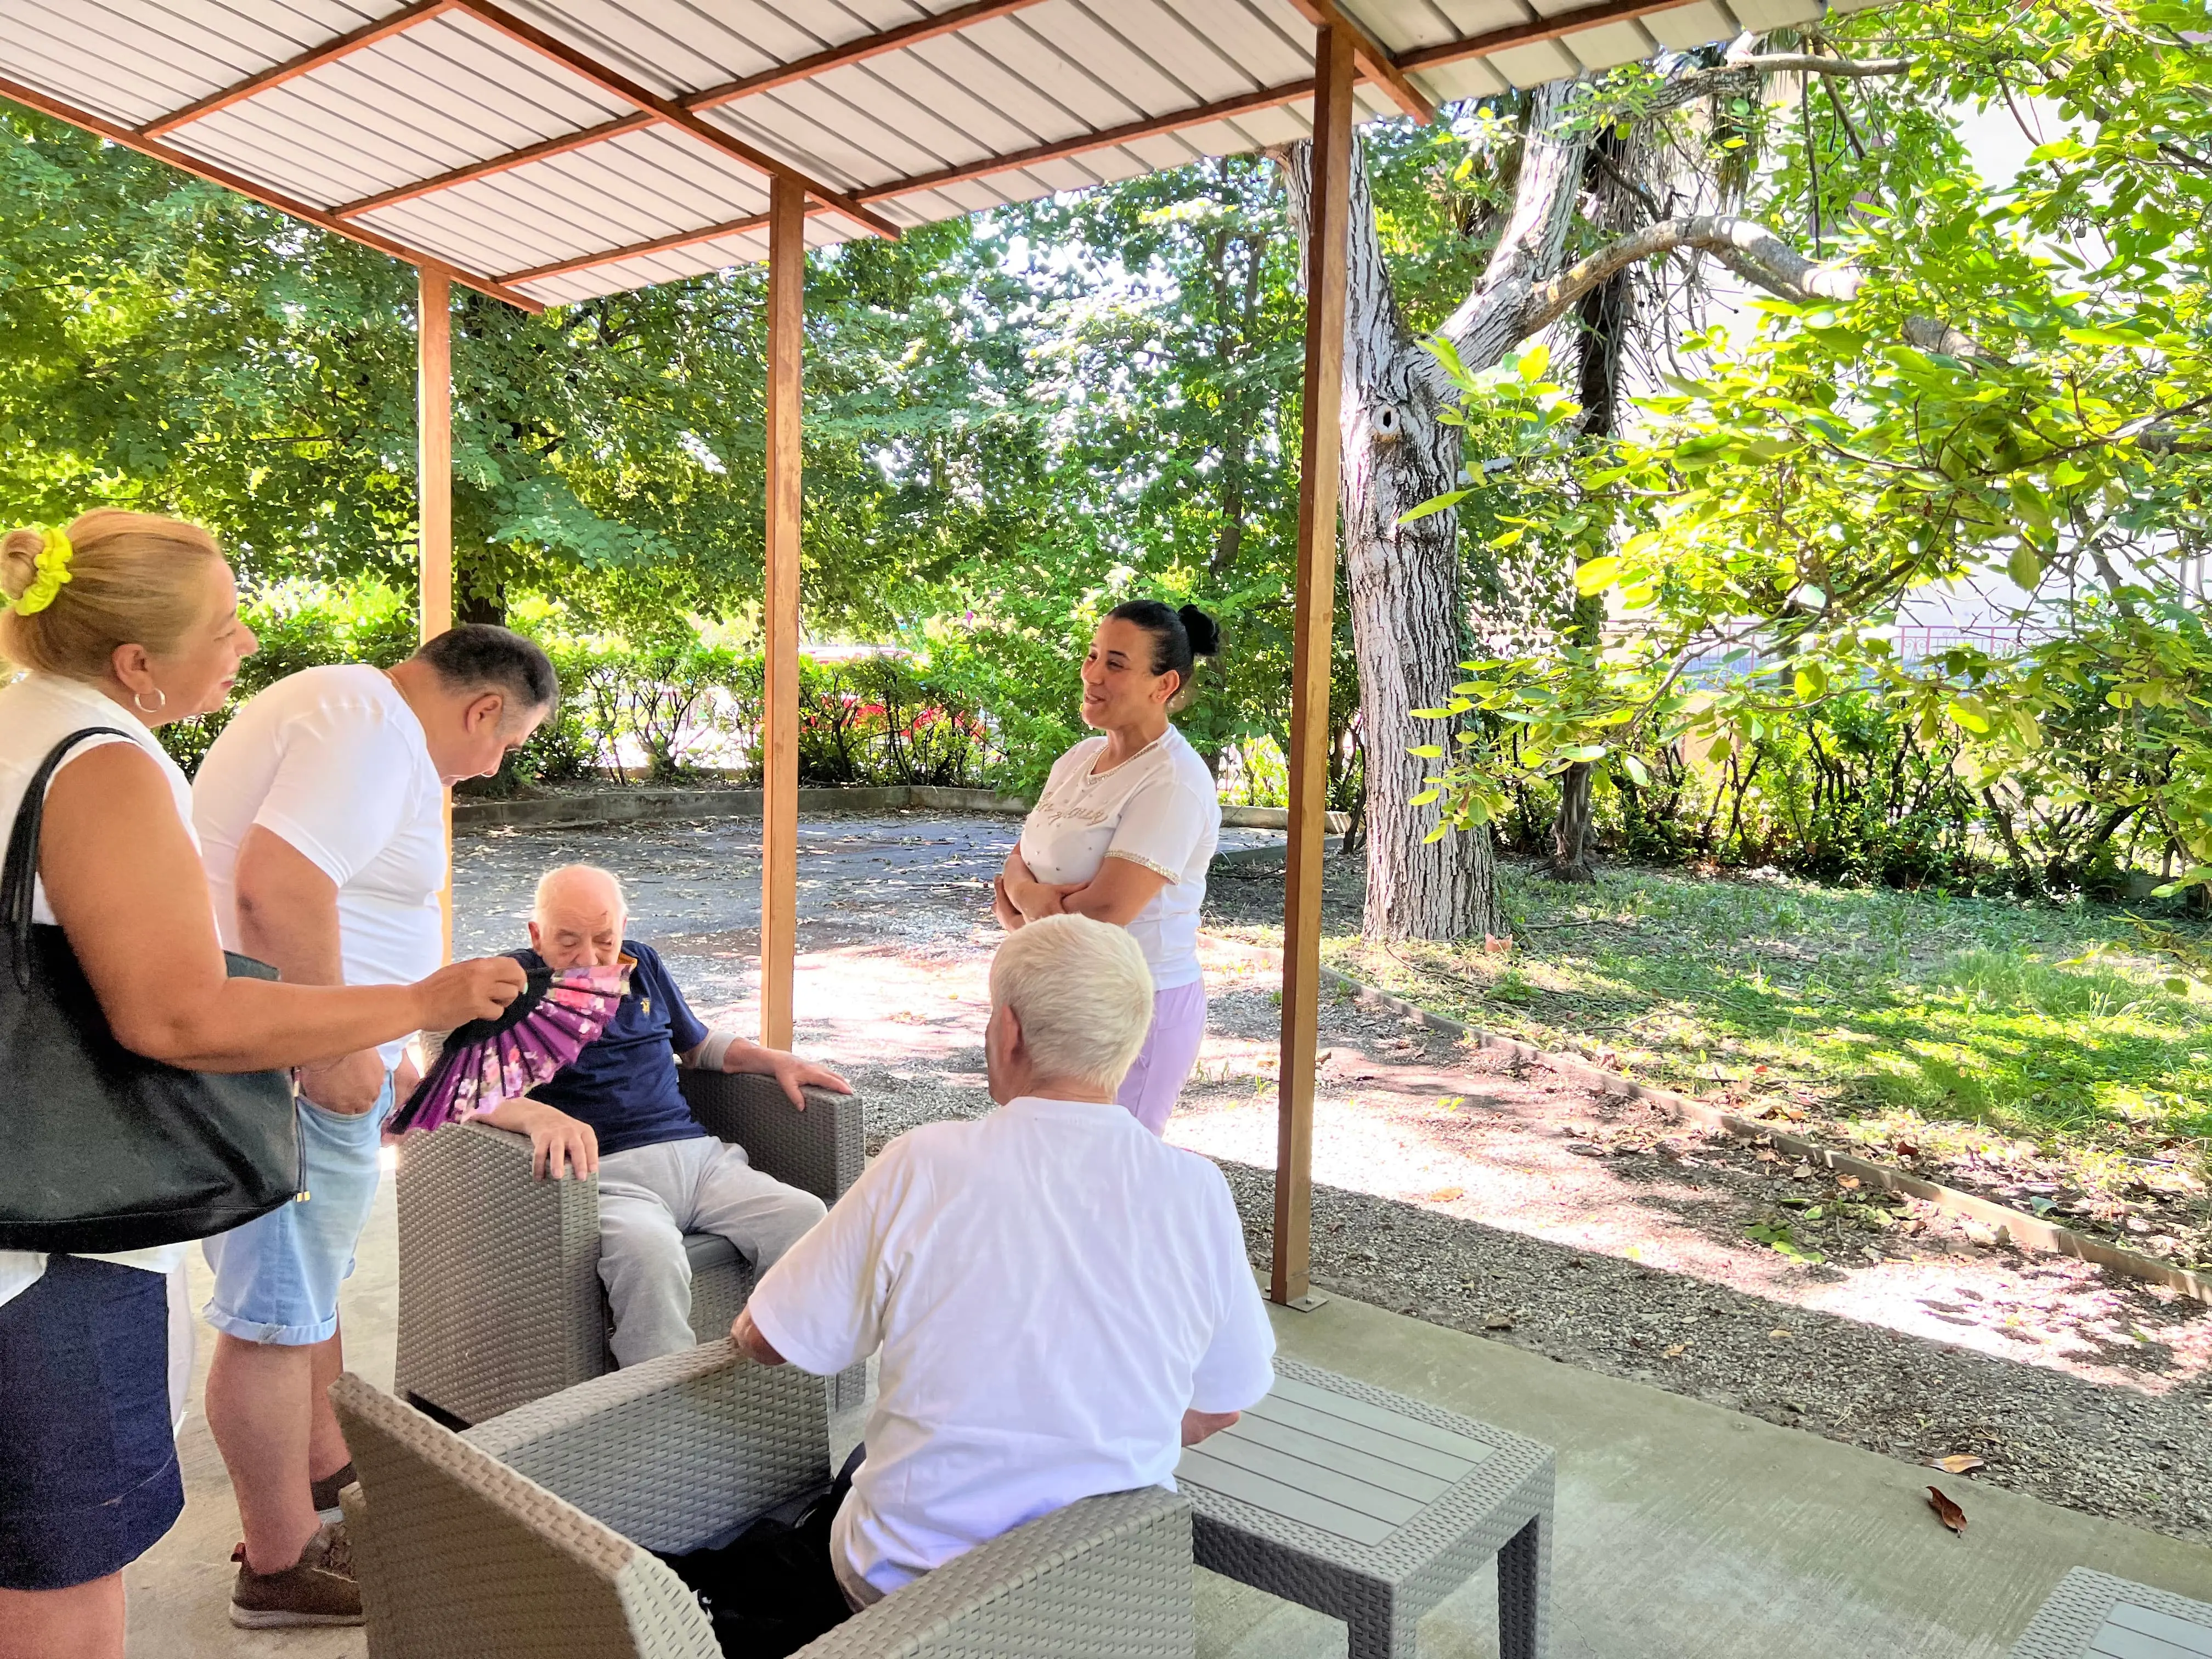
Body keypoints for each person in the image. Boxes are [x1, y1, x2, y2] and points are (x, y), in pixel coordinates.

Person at [0, 512, 525, 1659]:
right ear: (138, 664)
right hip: (52, 1236)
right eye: (224, 623)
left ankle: (310, 1496)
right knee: (65, 1587)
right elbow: (178, 1009)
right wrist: (412, 1007)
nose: (245, 642)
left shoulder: (18, 716)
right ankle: (282, 1554)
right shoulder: (101, 756)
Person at [718, 915, 1274, 1654]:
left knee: (839, 1492)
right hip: (1096, 1586)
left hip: (908, 1589)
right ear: (1131, 1044)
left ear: (1007, 1033)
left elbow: (769, 1339)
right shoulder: (1195, 1189)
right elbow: (1220, 1406)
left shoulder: (927, 1163)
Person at [190, 620, 557, 1628]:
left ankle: (320, 1478)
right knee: (271, 1313)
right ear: (484, 707)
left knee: (306, 1291)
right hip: (288, 1063)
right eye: (507, 746)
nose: (491, 768)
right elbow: (278, 885)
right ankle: (278, 1561)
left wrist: (387, 1038)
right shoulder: (365, 723)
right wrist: (333, 1045)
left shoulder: (355, 713)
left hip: (300, 1053)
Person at [466, 863, 850, 1367]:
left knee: (803, 1218)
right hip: (607, 1178)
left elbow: (700, 1048)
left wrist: (778, 1060)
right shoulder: (512, 986)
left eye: (604, 940)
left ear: (623, 928)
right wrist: (538, 1117)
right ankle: (657, 1413)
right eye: (567, 942)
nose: (587, 959)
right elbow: (465, 1088)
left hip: (700, 1163)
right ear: (536, 935)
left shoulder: (643, 964)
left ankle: (769, 1375)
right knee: (651, 1255)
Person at [994, 600, 1223, 1135]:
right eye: (1093, 655)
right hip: (1052, 991)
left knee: (1107, 1181)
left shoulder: (1174, 780)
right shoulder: (1077, 760)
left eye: (1116, 664)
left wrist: (1029, 912)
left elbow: (1106, 911)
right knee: (1042, 1163)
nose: (1092, 674)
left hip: (1130, 1009)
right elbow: (1019, 858)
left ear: (1162, 686)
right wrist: (1034, 902)